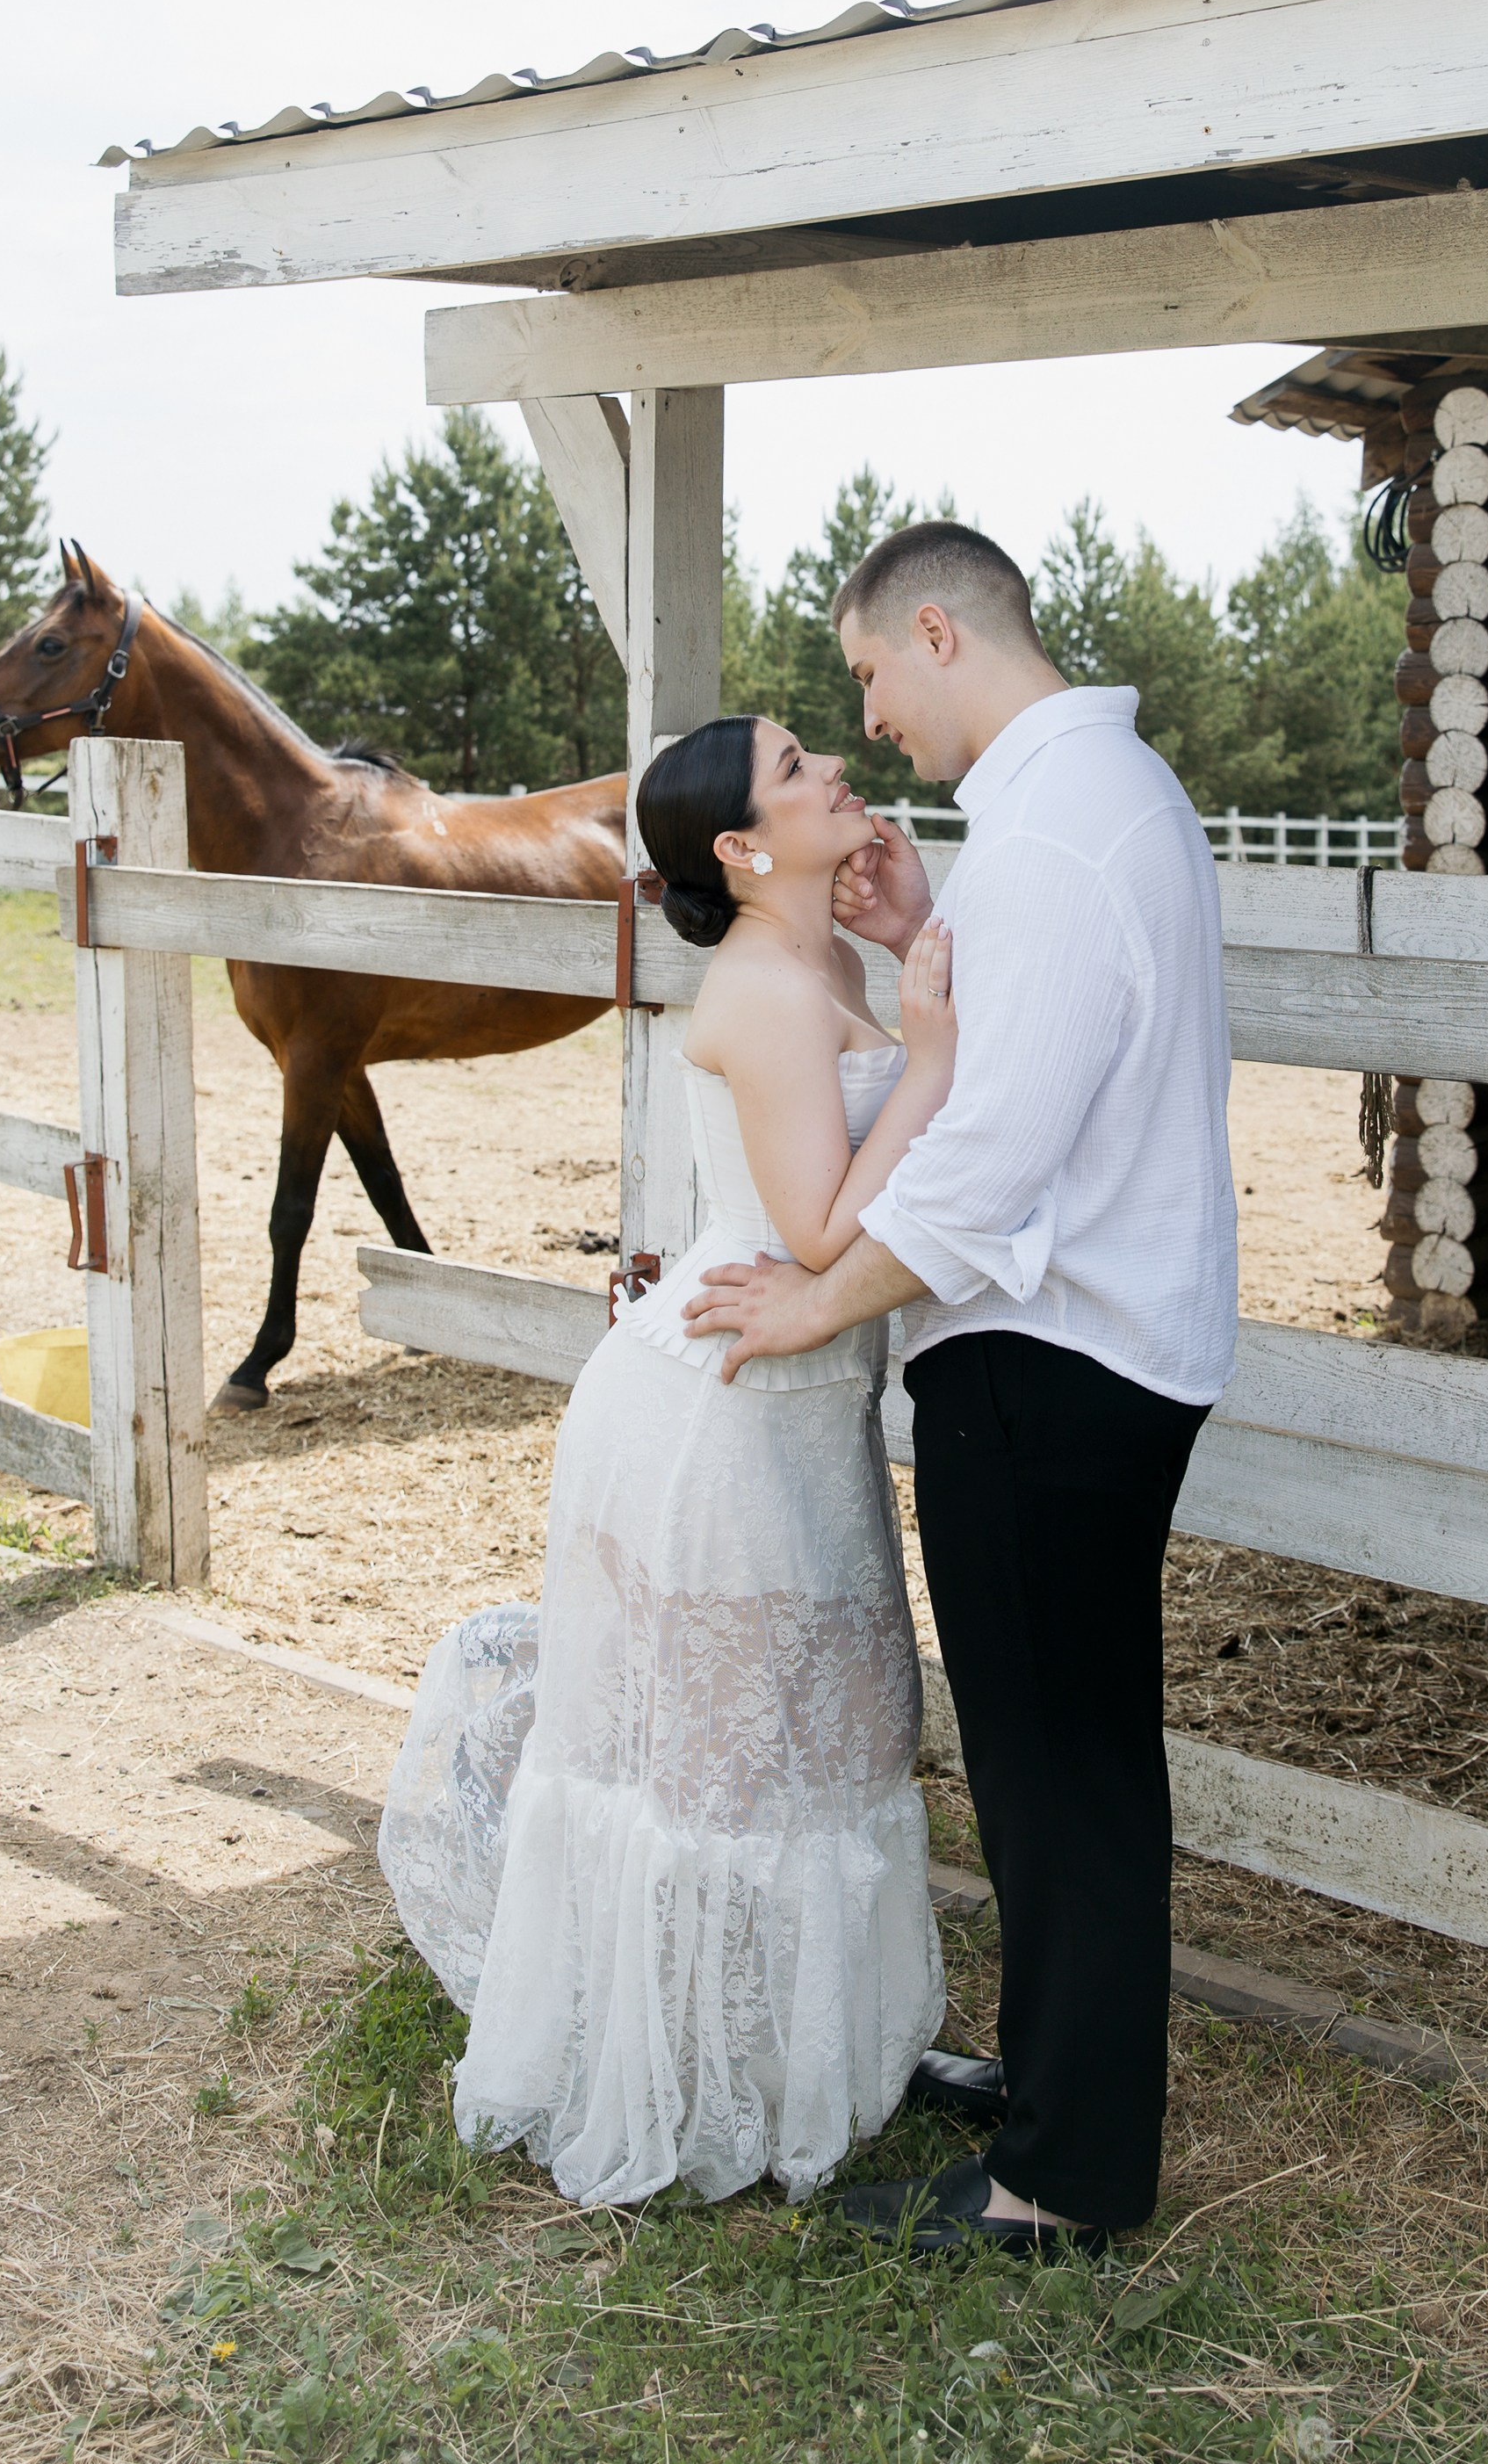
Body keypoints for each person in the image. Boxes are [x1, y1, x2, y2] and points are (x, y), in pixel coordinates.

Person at [683, 520, 1237, 2256]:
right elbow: (1020, 1054)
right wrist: (931, 918)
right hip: (1074, 1350)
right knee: (1056, 1760)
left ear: (936, 631)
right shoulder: (1067, 813)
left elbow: (988, 1157)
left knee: (1055, 1768)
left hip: (1051, 1363)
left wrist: (813, 1306)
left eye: (863, 675)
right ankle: (1063, 2082)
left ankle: (1058, 2185)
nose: (867, 718)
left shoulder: (1065, 832)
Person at [378, 713, 954, 2205]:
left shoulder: (819, 954)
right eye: (795, 769)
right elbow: (824, 1232)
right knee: (730, 1761)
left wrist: (902, 965)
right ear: (744, 849)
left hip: (799, 1391)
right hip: (722, 1415)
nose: (833, 767)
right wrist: (940, 1055)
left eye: (816, 748)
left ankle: (785, 2062)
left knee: (823, 1733)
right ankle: (699, 2093)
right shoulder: (763, 988)